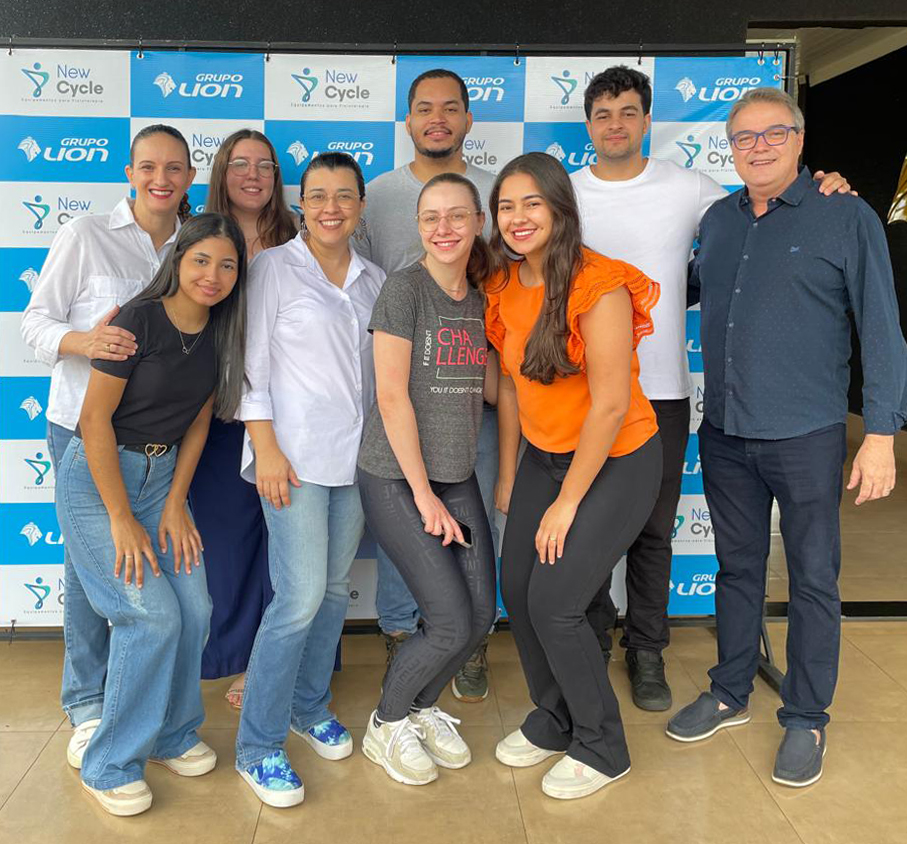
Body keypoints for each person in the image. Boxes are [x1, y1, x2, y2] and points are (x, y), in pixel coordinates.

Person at [570, 66, 855, 711]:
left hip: (663, 390)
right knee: (585, 525)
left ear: (648, 121)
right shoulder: (565, 193)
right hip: (579, 393)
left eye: (628, 112)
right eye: (602, 114)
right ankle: (588, 640)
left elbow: (765, 211)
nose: (615, 125)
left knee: (653, 530)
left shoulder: (693, 188)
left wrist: (826, 183)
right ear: (589, 124)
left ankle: (647, 650)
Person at [667, 88, 907, 788]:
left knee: (811, 580)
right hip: (725, 432)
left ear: (800, 141)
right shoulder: (717, 220)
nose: (758, 146)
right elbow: (674, 289)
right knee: (736, 571)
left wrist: (881, 434)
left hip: (805, 435)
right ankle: (728, 690)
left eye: (774, 133)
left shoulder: (845, 214)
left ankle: (805, 717)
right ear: (730, 149)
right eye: (743, 137)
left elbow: (883, 331)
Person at [54, 213, 248, 815]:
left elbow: (195, 424)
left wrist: (171, 506)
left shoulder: (221, 335)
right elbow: (92, 424)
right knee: (151, 617)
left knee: (195, 607)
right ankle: (109, 761)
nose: (212, 275)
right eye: (201, 260)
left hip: (162, 482)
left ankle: (171, 733)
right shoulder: (137, 320)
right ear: (178, 260)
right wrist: (121, 516)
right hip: (99, 484)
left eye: (227, 265)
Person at [486, 152, 662, 800]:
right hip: (541, 456)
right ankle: (553, 717)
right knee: (516, 584)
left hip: (616, 457)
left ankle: (601, 744)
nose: (518, 217)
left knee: (555, 602)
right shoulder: (503, 285)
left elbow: (611, 404)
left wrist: (565, 503)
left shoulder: (599, 283)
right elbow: (509, 386)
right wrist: (509, 473)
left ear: (560, 208)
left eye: (532, 203)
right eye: (506, 205)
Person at [20, 124, 196, 767]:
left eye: (175, 168)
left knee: (133, 578)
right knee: (89, 569)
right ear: (128, 171)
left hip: (158, 444)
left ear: (188, 177)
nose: (162, 179)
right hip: (81, 428)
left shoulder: (192, 246)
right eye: (149, 166)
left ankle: (140, 710)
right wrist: (85, 342)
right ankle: (88, 705)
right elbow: (34, 324)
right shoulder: (85, 235)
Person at [234, 153, 384, 807]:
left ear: (359, 205)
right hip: (288, 460)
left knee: (328, 592)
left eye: (343, 195)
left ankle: (307, 704)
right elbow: (250, 367)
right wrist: (264, 448)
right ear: (301, 206)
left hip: (354, 463)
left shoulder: (375, 279)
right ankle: (257, 746)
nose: (330, 207)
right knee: (295, 600)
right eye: (317, 195)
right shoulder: (273, 268)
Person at [356, 67, 500, 702]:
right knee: (437, 603)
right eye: (423, 107)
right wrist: (421, 493)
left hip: (463, 444)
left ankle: (432, 677)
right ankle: (401, 678)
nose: (445, 229)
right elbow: (391, 393)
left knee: (470, 608)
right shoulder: (399, 268)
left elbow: (505, 372)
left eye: (457, 218)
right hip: (400, 446)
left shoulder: (477, 289)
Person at [188, 129, 298, 708]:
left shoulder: (302, 233)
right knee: (229, 542)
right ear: (221, 172)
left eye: (265, 165)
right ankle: (234, 653)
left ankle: (273, 661)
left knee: (288, 542)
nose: (253, 175)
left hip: (291, 413)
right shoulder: (199, 235)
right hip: (219, 409)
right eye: (240, 164)